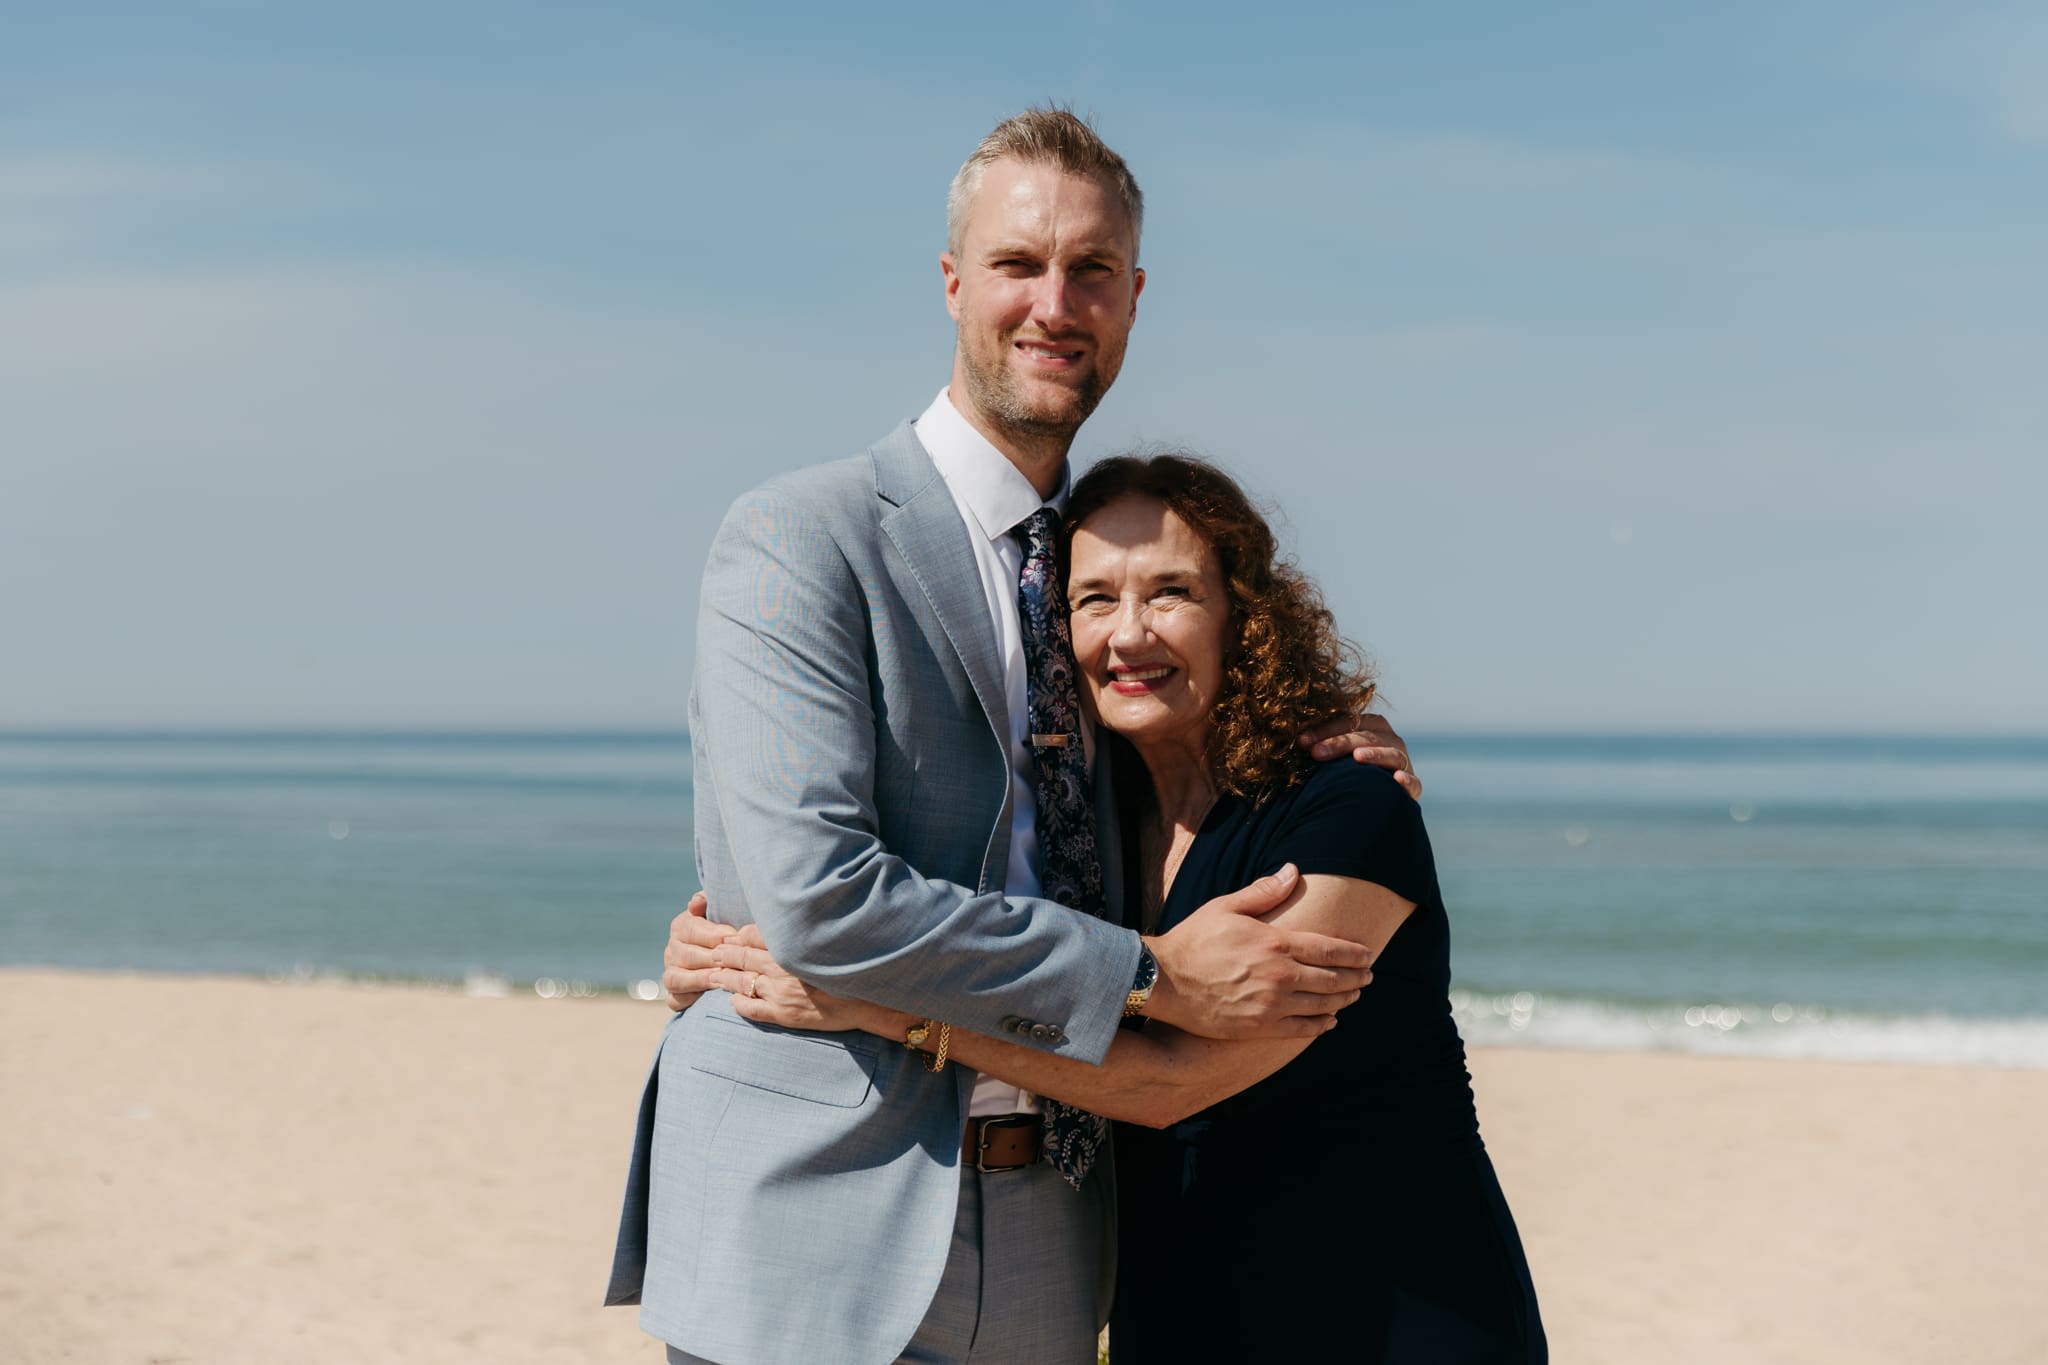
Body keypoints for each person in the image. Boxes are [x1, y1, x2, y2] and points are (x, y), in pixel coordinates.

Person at [607, 108, 1417, 1365]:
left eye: (1091, 270)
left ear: (1133, 299)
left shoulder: (1107, 579)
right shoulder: (800, 535)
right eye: (1016, 264)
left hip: (1060, 1227)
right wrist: (1142, 969)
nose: (1055, 302)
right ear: (950, 283)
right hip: (811, 1222)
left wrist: (1332, 735)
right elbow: (816, 902)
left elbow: (1178, 770)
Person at [686, 454, 1547, 1362]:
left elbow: (1172, 1080)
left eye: (1170, 592)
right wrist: (722, 942)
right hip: (1182, 1307)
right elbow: (979, 933)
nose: (1128, 634)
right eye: (1094, 600)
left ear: (1242, 619)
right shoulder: (1089, 830)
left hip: (1383, 1306)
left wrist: (881, 1009)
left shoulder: (1346, 809)